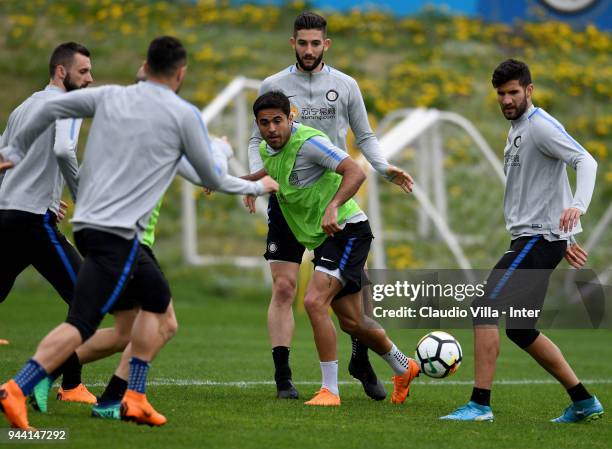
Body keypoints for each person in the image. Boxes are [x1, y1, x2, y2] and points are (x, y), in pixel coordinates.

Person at [0, 35, 260, 429]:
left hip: (91, 226)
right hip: (115, 234)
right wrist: (253, 181)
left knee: (158, 307)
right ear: (181, 73)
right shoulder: (181, 113)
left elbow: (51, 109)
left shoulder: (111, 98)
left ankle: (133, 397)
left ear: (146, 66)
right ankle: (20, 386)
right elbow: (210, 174)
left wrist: (15, 150)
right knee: (84, 321)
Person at [244, 11, 414, 401]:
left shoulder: (345, 85)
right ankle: (284, 377)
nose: (308, 50)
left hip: (336, 198)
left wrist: (384, 168)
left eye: (314, 43)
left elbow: (365, 136)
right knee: (286, 287)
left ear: (326, 45)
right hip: (289, 203)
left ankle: (362, 361)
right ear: (292, 44)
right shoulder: (273, 86)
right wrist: (259, 178)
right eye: (301, 43)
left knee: (350, 297)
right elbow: (256, 140)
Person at [441, 59, 603, 423]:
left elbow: (585, 161)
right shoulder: (517, 128)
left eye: (514, 92)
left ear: (529, 90)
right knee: (520, 329)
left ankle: (480, 404)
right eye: (501, 94)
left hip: (535, 239)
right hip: (538, 239)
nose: (507, 99)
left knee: (484, 306)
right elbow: (548, 183)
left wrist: (577, 208)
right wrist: (566, 238)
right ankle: (583, 401)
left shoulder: (541, 126)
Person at [0, 42, 97, 404]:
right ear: (61, 72)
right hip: (31, 222)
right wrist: (81, 194)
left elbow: (5, 157)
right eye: (83, 71)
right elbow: (62, 150)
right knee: (87, 297)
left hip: (8, 214)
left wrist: (41, 196)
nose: (90, 79)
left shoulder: (25, 106)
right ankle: (69, 385)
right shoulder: (67, 105)